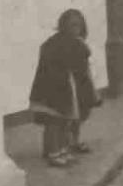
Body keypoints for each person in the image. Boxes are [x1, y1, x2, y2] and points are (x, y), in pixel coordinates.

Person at [29, 9, 101, 168]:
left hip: (67, 88)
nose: (76, 29)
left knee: (64, 120)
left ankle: (62, 148)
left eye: (78, 25)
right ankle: (53, 152)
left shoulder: (76, 42)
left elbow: (82, 63)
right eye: (72, 25)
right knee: (54, 121)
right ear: (64, 26)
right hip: (52, 89)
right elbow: (55, 66)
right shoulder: (56, 43)